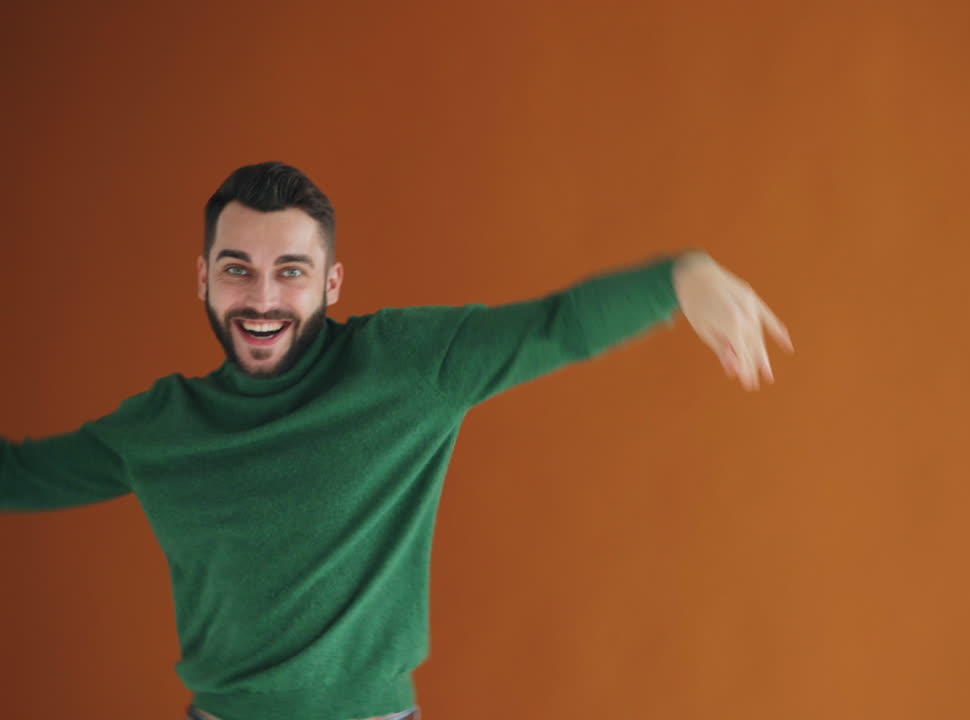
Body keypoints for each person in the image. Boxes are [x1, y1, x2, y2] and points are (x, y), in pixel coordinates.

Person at [1, 161, 794, 720]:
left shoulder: (406, 367)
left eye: (292, 271)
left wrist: (678, 279)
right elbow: (20, 476)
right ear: (203, 279)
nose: (264, 297)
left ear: (331, 284)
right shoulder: (160, 428)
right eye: (238, 270)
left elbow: (555, 327)